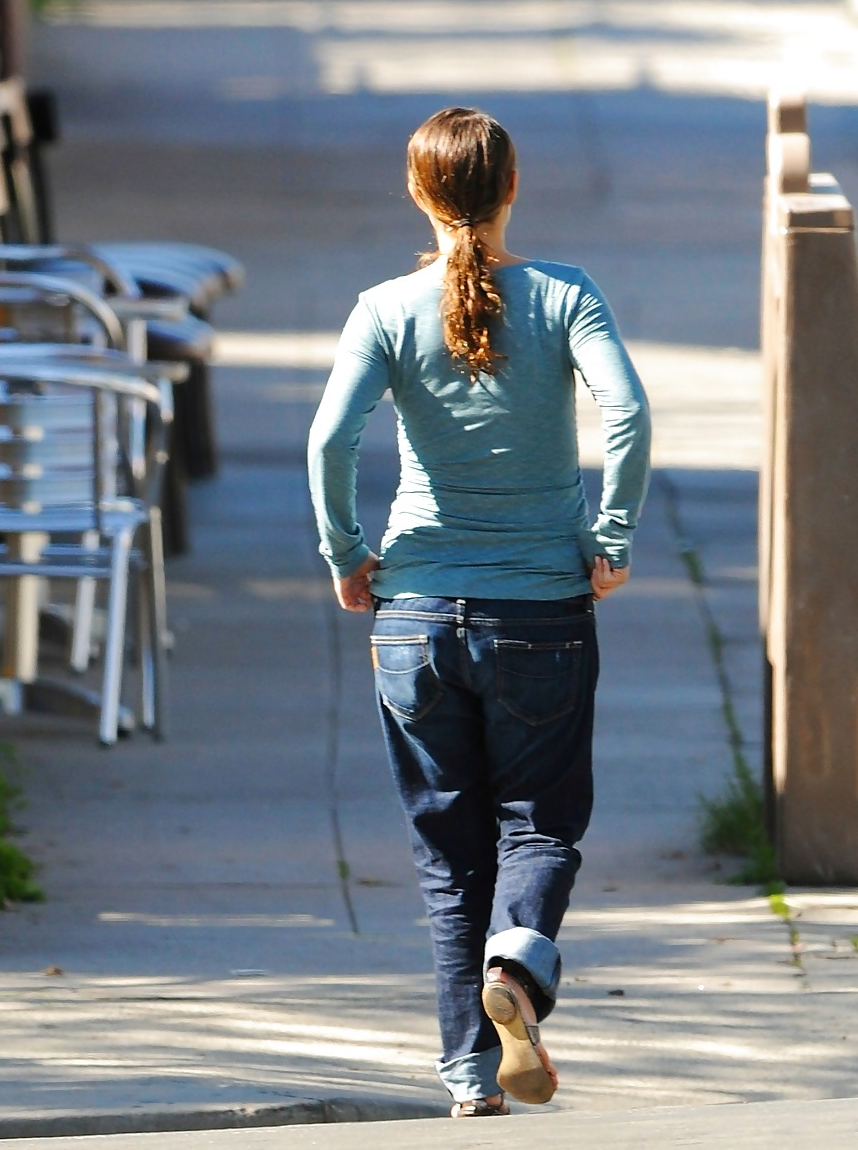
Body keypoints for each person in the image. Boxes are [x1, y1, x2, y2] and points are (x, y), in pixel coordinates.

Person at [307, 106, 650, 1118]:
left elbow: (330, 438)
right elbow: (626, 410)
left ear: (418, 193)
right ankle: (519, 963)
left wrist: (345, 552)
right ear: (512, 188)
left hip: (412, 612)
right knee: (538, 826)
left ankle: (467, 1073)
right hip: (540, 608)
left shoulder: (383, 307)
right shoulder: (564, 297)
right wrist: (612, 534)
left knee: (446, 849)